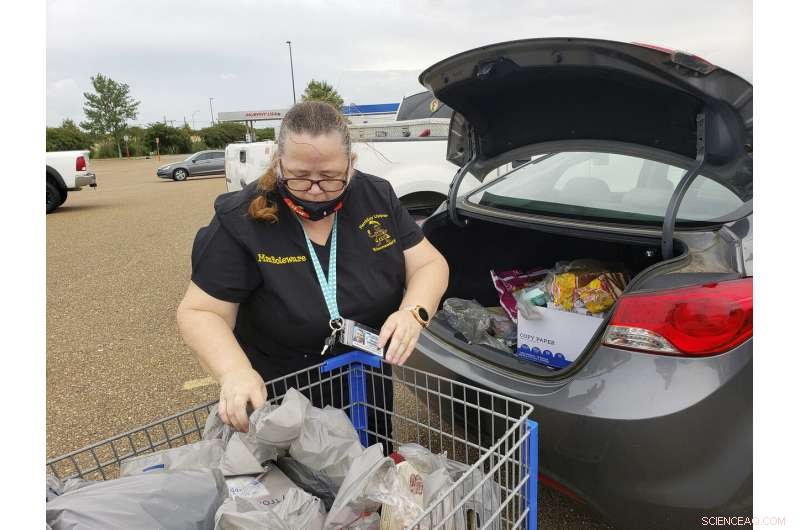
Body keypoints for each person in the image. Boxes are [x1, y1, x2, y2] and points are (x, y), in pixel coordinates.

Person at [177, 101, 449, 441]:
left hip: (365, 390)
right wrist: (234, 372)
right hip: (281, 402)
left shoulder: (376, 195)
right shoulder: (240, 219)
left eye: (331, 177)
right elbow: (200, 312)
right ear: (278, 164)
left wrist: (414, 311)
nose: (316, 190)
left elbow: (429, 264)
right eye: (300, 177)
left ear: (351, 164)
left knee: (366, 475)